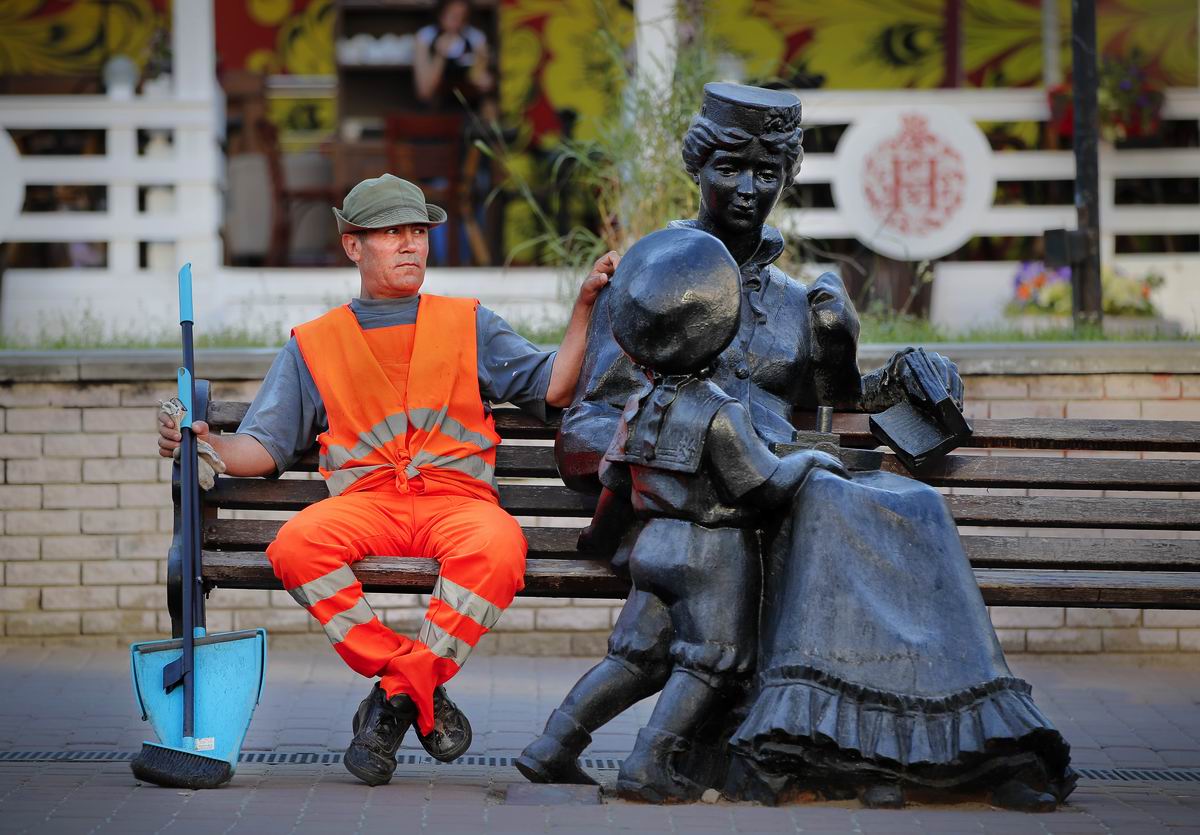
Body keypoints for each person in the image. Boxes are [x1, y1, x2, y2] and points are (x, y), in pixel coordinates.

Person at [522, 83, 1074, 810]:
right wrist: (697, 456)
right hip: (711, 515)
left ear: (787, 175)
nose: (749, 188)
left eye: (766, 172)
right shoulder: (661, 282)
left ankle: (965, 742)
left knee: (914, 505)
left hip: (776, 489)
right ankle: (845, 745)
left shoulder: (792, 300)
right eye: (730, 168)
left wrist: (885, 367)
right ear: (699, 168)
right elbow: (585, 432)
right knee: (835, 501)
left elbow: (835, 400)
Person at [157, 173, 617, 788]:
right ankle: (414, 683)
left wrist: (584, 306)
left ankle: (392, 703)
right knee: (295, 546)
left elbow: (554, 387)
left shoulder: (470, 323)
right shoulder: (313, 345)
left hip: (459, 503)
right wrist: (206, 442)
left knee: (501, 547)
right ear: (353, 246)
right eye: (391, 233)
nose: (410, 245)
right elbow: (263, 448)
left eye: (418, 232)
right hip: (365, 504)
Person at [569, 225, 847, 802]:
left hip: (650, 552)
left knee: (631, 656)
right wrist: (814, 460)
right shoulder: (720, 413)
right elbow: (763, 484)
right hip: (709, 552)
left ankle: (551, 745)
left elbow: (613, 481)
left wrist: (598, 537)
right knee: (711, 661)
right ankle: (649, 762)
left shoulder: (641, 403)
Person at [413, 0, 495, 117]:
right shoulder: (426, 37)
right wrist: (440, 55)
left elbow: (481, 79)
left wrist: (484, 80)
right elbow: (425, 92)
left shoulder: (475, 37)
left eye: (463, 18)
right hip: (436, 111)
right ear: (441, 15)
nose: (457, 23)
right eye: (453, 16)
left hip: (469, 110)